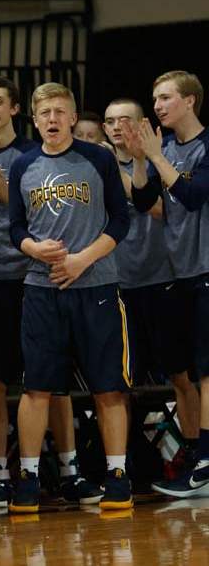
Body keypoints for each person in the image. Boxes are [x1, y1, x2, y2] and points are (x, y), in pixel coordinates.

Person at [0, 76, 98, 509]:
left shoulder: (38, 157)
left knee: (53, 380)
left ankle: (69, 471)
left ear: (17, 109)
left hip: (36, 279)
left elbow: (53, 218)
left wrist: (8, 193)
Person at [7, 82, 132, 513]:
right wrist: (33, 249)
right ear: (35, 119)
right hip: (42, 290)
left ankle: (117, 473)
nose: (53, 119)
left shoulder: (98, 158)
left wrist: (82, 260)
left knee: (108, 385)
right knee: (37, 387)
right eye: (45, 113)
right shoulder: (23, 166)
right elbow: (16, 228)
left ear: (74, 117)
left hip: (95, 285)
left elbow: (121, 219)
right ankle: (26, 476)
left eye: (61, 112)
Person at [123, 71, 209, 498]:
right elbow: (143, 201)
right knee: (187, 368)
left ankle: (207, 458)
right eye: (154, 98)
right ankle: (195, 453)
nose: (157, 105)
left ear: (190, 101)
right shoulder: (166, 148)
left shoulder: (205, 146)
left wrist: (156, 158)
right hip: (179, 274)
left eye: (166, 97)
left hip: (206, 268)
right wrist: (140, 158)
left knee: (208, 369)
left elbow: (194, 196)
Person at [103, 98, 200, 476]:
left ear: (142, 124)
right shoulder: (97, 167)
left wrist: (129, 168)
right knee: (120, 381)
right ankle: (122, 462)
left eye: (123, 120)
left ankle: (193, 450)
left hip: (162, 280)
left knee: (180, 373)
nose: (115, 128)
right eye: (109, 121)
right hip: (118, 285)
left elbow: (161, 209)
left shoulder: (163, 160)